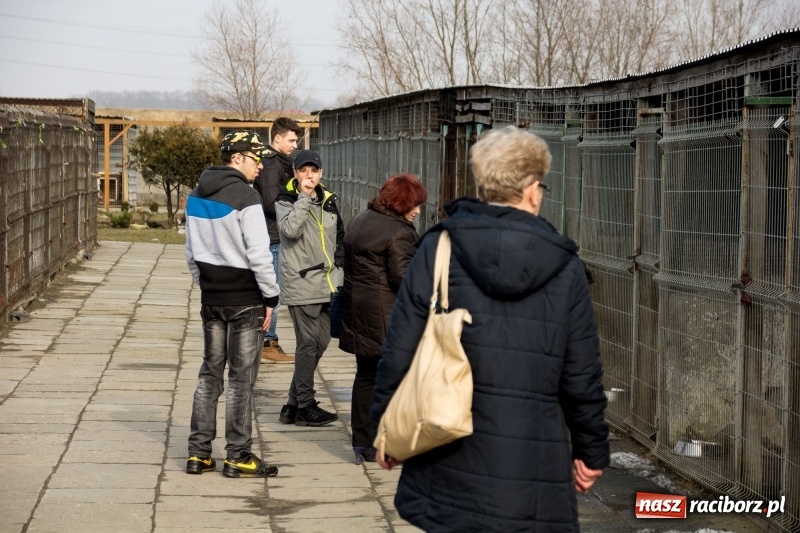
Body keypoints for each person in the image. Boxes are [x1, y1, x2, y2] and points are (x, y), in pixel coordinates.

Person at [371, 126, 610, 531]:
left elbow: (401, 346)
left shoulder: (438, 247)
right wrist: (591, 449)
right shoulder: (566, 267)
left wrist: (387, 426)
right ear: (533, 189)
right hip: (533, 460)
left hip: (446, 448)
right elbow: (581, 373)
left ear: (483, 185)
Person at [185, 130, 280, 479]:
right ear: (236, 158)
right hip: (245, 301)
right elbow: (259, 254)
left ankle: (198, 454)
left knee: (210, 376)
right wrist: (271, 296)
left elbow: (191, 253)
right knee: (241, 380)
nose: (261, 167)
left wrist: (207, 284)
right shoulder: (246, 196)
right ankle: (238, 455)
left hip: (212, 299)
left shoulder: (195, 195)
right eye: (256, 160)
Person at [339, 174, 427, 464]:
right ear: (402, 203)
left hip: (357, 311)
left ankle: (362, 442)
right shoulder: (400, 232)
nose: (417, 211)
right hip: (386, 316)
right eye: (415, 205)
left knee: (365, 376)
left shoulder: (360, 219)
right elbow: (404, 277)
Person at [275, 150, 344, 427]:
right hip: (301, 283)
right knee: (307, 343)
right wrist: (303, 198)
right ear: (295, 173)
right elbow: (290, 231)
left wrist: (340, 267)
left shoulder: (328, 200)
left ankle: (292, 405)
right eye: (304, 171)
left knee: (322, 342)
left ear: (321, 173)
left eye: (314, 171)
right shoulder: (285, 199)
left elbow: (340, 236)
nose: (309, 176)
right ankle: (305, 404)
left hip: (328, 282)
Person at [253, 117, 304, 364]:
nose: (295, 145)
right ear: (277, 138)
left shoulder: (278, 163)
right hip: (272, 235)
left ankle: (263, 340)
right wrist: (296, 207)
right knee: (273, 291)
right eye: (292, 140)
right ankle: (267, 342)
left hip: (273, 233)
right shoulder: (272, 165)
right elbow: (271, 202)